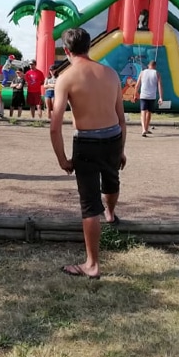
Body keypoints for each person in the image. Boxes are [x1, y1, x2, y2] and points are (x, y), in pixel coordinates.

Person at [50, 28, 127, 280]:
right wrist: (121, 149)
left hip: (87, 141)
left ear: (66, 50)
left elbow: (55, 125)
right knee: (112, 178)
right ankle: (112, 213)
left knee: (89, 204)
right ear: (89, 46)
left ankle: (92, 264)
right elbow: (121, 119)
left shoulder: (66, 77)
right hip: (113, 137)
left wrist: (62, 159)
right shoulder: (110, 73)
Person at [133, 60, 163, 136]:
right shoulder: (157, 73)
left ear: (148, 65)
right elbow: (159, 86)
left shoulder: (142, 72)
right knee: (149, 112)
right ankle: (146, 128)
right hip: (152, 96)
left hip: (143, 95)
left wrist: (135, 94)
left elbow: (137, 85)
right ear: (155, 66)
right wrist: (160, 97)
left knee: (143, 112)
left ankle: (143, 129)